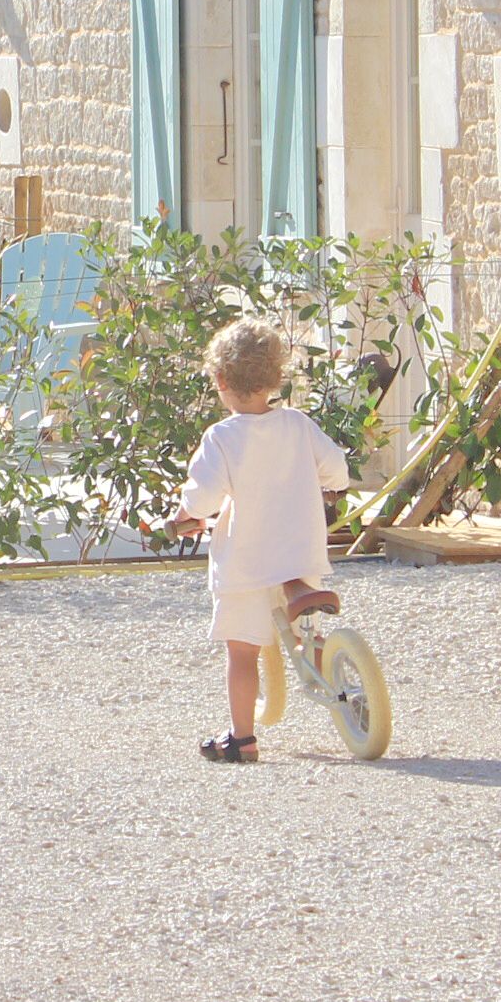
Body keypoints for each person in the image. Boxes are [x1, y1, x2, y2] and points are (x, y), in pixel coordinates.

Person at [170, 316, 351, 763]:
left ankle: (242, 739)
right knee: (306, 634)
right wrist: (323, 487)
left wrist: (186, 515)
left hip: (247, 566)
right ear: (275, 379)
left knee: (243, 651)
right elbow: (337, 471)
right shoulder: (297, 424)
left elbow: (205, 495)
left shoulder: (223, 437)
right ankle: (348, 684)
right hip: (300, 556)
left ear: (221, 380)